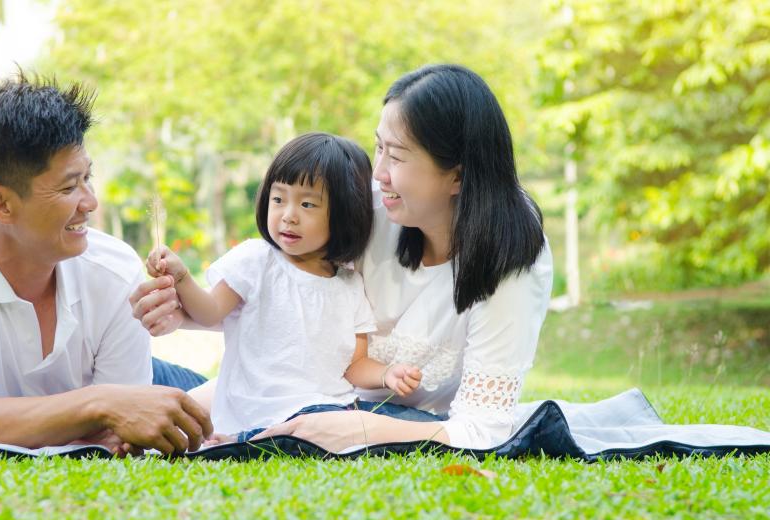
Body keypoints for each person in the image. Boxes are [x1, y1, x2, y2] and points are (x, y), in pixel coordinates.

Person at [131, 64, 553, 452]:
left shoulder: (511, 260)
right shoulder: (364, 208)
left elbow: (483, 429)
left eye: (398, 156)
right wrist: (179, 309)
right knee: (135, 387)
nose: (379, 172)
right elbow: (280, 295)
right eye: (378, 148)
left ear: (457, 175)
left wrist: (359, 429)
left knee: (163, 408)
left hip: (347, 413)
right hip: (269, 394)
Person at [0, 73, 212, 456]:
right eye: (68, 187)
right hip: (96, 388)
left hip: (152, 373)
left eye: (87, 178)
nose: (90, 202)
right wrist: (101, 404)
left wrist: (111, 411)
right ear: (1, 204)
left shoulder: (112, 269)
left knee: (245, 400)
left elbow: (125, 433)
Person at [146, 133, 423, 443]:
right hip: (262, 411)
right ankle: (244, 439)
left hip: (329, 409)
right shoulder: (256, 260)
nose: (288, 216)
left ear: (345, 214)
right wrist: (182, 278)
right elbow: (210, 312)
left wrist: (386, 374)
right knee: (308, 431)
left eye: (307, 204)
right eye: (278, 199)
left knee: (418, 422)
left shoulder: (349, 285)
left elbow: (354, 365)